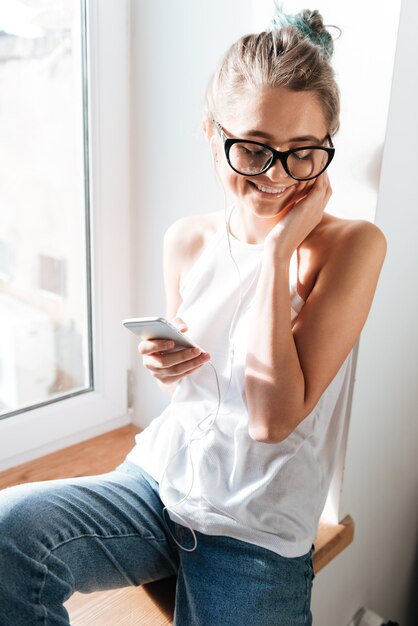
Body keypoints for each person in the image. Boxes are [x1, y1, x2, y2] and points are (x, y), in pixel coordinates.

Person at [0, 6, 386, 626]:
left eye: (302, 153)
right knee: (8, 533)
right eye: (253, 149)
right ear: (211, 134)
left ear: (327, 149)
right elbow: (205, 392)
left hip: (255, 533)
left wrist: (278, 249)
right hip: (158, 487)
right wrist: (168, 363)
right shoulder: (186, 240)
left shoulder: (353, 248)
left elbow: (270, 418)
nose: (276, 175)